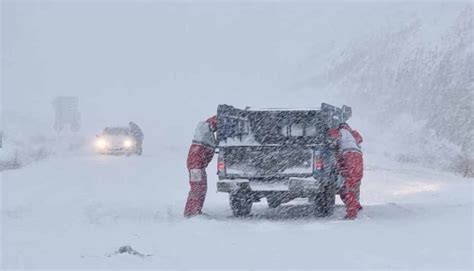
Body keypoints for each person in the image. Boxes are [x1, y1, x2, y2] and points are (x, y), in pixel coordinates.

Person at [328, 123, 364, 220]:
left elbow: (332, 137)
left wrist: (329, 130)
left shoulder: (340, 131)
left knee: (347, 187)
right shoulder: (352, 133)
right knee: (355, 183)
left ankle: (352, 213)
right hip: (358, 157)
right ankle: (356, 205)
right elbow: (360, 139)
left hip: (349, 156)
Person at [184, 116, 217, 217]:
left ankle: (193, 210)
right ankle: (192, 212)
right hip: (196, 167)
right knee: (198, 188)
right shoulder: (205, 133)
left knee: (199, 188)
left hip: (196, 166)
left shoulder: (203, 133)